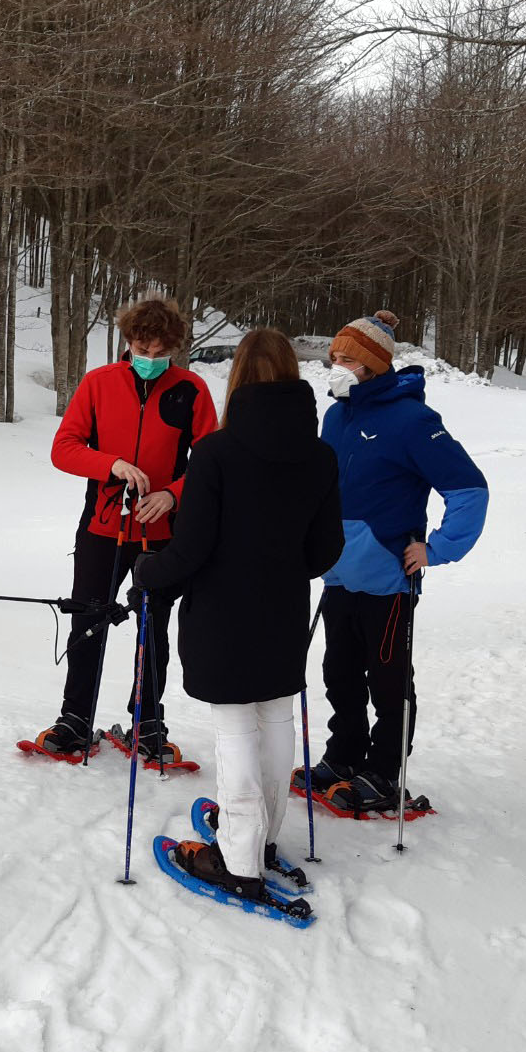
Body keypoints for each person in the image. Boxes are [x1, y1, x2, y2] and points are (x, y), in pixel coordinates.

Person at [130, 329, 342, 899]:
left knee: (236, 729)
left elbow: (191, 548)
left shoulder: (218, 452)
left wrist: (147, 572)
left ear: (238, 378)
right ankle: (261, 836)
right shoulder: (320, 454)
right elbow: (325, 553)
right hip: (282, 611)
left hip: (224, 614)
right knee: (274, 718)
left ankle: (240, 860)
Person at [25, 296, 218, 767]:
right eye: (141, 347)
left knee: (154, 626)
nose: (150, 358)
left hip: (161, 532)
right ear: (128, 342)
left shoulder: (191, 389)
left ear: (174, 347)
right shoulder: (99, 383)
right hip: (102, 527)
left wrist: (173, 493)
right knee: (87, 620)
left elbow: (213, 463)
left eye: (160, 351)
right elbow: (64, 448)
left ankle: (148, 721)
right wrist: (109, 463)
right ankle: (74, 717)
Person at [309, 310, 488, 810]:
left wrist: (437, 547)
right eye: (334, 358)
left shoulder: (413, 420)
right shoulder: (336, 415)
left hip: (389, 575)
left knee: (387, 681)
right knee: (338, 675)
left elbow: (469, 488)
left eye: (346, 359)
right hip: (339, 572)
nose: (336, 366)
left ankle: (385, 771)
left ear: (372, 364)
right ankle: (344, 756)